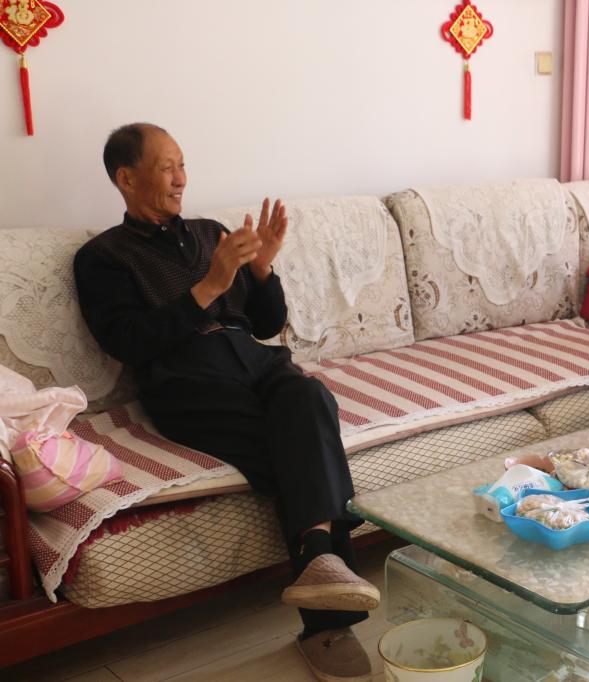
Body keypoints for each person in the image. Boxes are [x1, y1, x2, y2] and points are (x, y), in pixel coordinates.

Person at [74, 123, 376, 682]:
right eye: (166, 167)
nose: (180, 178)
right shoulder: (102, 258)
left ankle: (318, 560)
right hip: (187, 380)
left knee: (308, 394)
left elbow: (265, 323)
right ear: (127, 178)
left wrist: (262, 269)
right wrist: (211, 285)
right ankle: (328, 622)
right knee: (300, 441)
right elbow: (129, 342)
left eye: (182, 164)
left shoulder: (211, 233)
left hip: (255, 360)